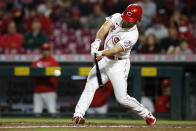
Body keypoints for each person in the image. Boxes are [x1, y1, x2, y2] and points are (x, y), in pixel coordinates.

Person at [73, 4, 156, 125]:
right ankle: (78, 115)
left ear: (138, 19)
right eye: (126, 18)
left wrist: (100, 52)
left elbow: (115, 49)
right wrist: (97, 41)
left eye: (130, 20)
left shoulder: (133, 35)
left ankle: (146, 114)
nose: (127, 22)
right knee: (90, 84)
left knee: (121, 98)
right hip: (105, 61)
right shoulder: (118, 17)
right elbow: (104, 27)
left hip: (118, 64)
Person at [32, 43, 59, 114]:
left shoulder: (54, 62)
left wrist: (42, 73)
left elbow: (55, 75)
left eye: (47, 50)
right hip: (38, 91)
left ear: (50, 51)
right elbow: (32, 75)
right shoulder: (36, 62)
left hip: (50, 91)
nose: (45, 52)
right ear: (41, 51)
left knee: (52, 112)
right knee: (36, 113)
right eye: (44, 50)